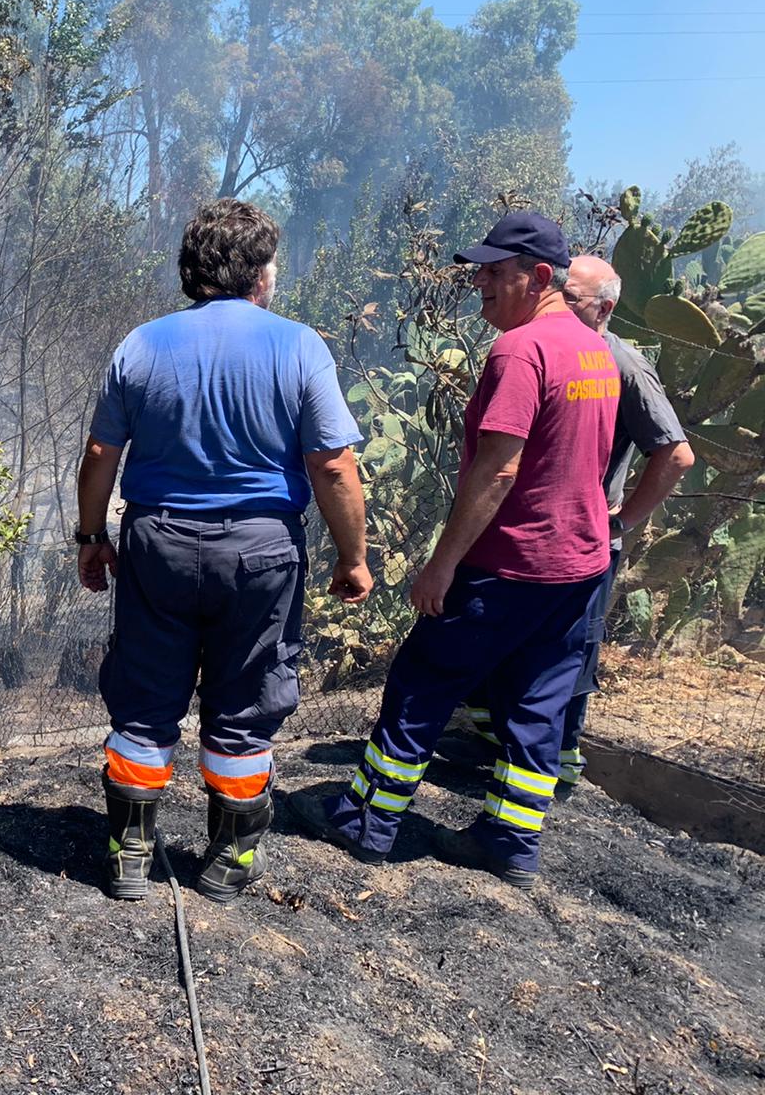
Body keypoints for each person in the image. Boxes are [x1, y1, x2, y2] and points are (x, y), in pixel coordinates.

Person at [289, 211, 619, 890]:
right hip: (578, 566)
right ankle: (511, 842)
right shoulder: (594, 350)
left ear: (541, 277)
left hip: (510, 564)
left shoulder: (521, 351)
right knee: (535, 703)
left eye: (497, 274)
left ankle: (367, 821)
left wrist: (443, 564)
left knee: (422, 680)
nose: (482, 287)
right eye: (481, 274)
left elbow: (498, 469)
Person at [76, 198, 372, 903]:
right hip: (262, 553)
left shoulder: (140, 346)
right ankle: (229, 862)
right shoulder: (299, 346)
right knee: (243, 704)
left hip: (159, 545)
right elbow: (332, 466)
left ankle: (128, 856)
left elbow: (98, 453)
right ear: (261, 274)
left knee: (146, 701)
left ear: (191, 270)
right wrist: (352, 556)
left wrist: (92, 537)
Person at [451, 256, 694, 795]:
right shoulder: (544, 348)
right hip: (527, 540)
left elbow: (675, 455)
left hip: (585, 540)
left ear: (604, 308)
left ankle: (559, 771)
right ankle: (498, 756)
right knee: (524, 654)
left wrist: (622, 523)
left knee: (569, 658)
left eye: (574, 297)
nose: (559, 301)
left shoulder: (620, 363)